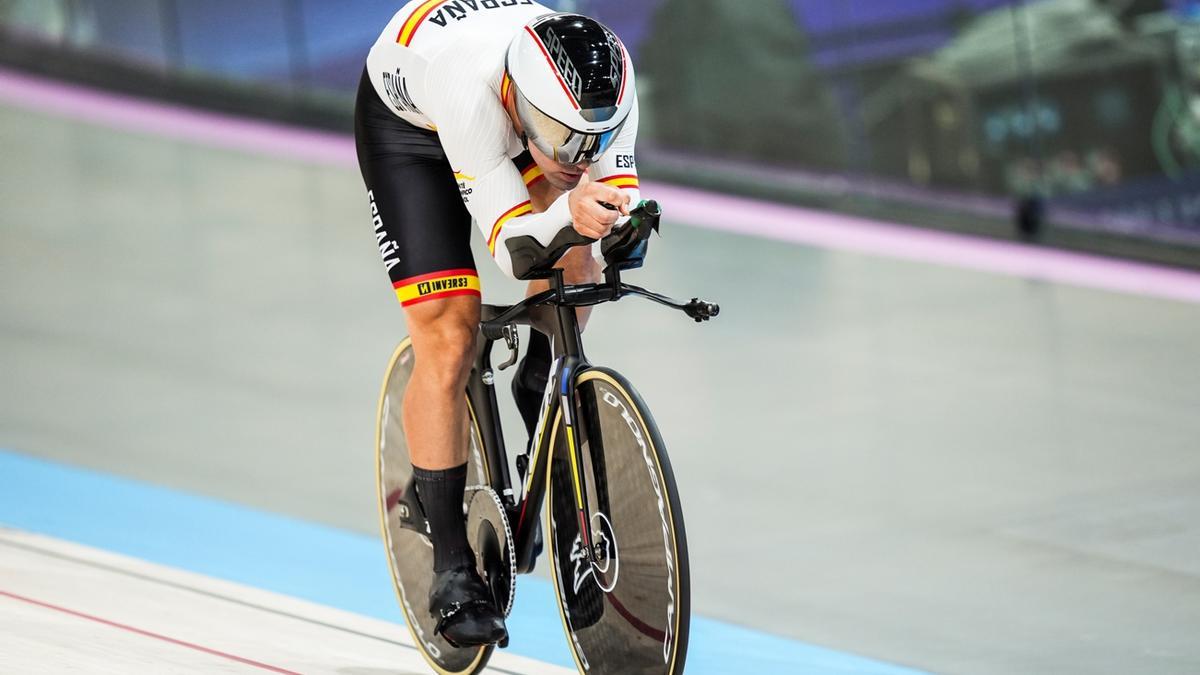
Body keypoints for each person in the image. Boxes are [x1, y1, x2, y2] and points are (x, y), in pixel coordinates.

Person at [355, 1, 641, 648]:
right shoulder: (469, 84)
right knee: (450, 333)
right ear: (519, 98)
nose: (579, 154)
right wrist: (571, 203)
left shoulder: (607, 81)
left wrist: (623, 224)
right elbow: (513, 245)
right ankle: (452, 565)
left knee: (579, 245)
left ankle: (539, 379)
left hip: (514, 120)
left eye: (589, 140)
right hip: (413, 130)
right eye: (564, 139)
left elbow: (615, 191)